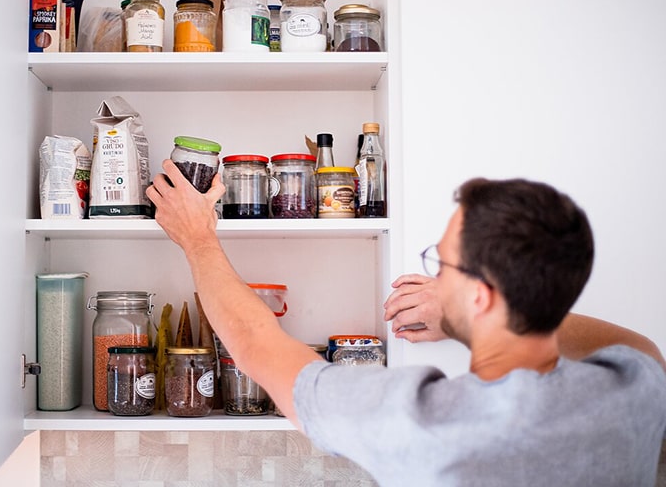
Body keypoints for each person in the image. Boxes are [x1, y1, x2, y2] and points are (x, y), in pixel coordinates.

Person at [147, 164, 666, 486]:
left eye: (443, 266)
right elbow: (639, 345)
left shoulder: (417, 421)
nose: (433, 277)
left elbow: (257, 344)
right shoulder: (633, 395)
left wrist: (197, 239)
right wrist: (472, 308)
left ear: (483, 296)